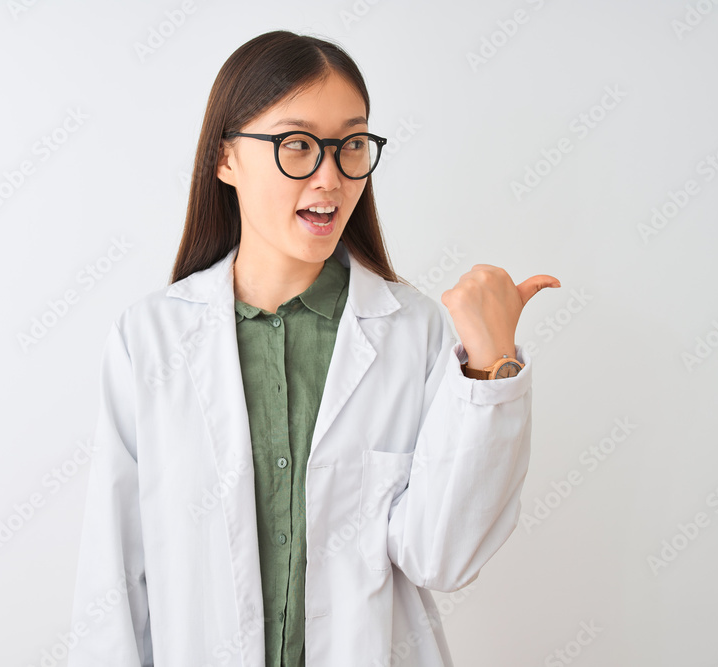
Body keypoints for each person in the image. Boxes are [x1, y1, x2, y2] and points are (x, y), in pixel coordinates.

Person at [67, 30, 559, 667]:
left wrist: (491, 369)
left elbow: (442, 558)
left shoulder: (414, 331)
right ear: (225, 159)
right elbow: (112, 576)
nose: (330, 177)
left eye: (351, 145)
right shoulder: (150, 339)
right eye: (297, 144)